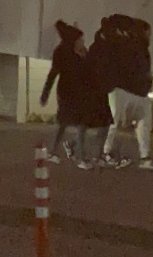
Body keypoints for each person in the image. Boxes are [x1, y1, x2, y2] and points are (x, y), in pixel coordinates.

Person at [39, 20, 106, 168]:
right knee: (64, 122)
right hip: (66, 92)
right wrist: (45, 93)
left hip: (81, 93)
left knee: (81, 123)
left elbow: (90, 72)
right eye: (80, 39)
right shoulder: (61, 52)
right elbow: (53, 74)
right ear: (73, 41)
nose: (83, 42)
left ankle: (78, 156)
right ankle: (62, 154)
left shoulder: (83, 53)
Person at [97, 15, 153, 170]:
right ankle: (105, 153)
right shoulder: (127, 44)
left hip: (136, 91)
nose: (149, 37)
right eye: (148, 33)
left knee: (141, 121)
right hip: (123, 89)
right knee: (114, 121)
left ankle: (144, 156)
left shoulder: (140, 48)